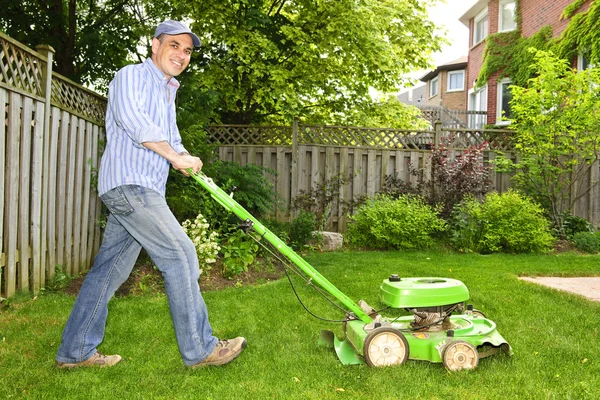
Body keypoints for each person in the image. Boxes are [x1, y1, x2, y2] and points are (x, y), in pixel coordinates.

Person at [55, 20, 246, 368]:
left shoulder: (167, 90)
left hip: (142, 188)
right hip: (131, 185)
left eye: (187, 50)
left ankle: (75, 352)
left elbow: (171, 138)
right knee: (181, 255)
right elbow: (134, 122)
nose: (182, 54)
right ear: (155, 45)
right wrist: (174, 156)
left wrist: (185, 156)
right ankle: (201, 350)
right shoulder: (130, 76)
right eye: (175, 45)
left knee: (108, 272)